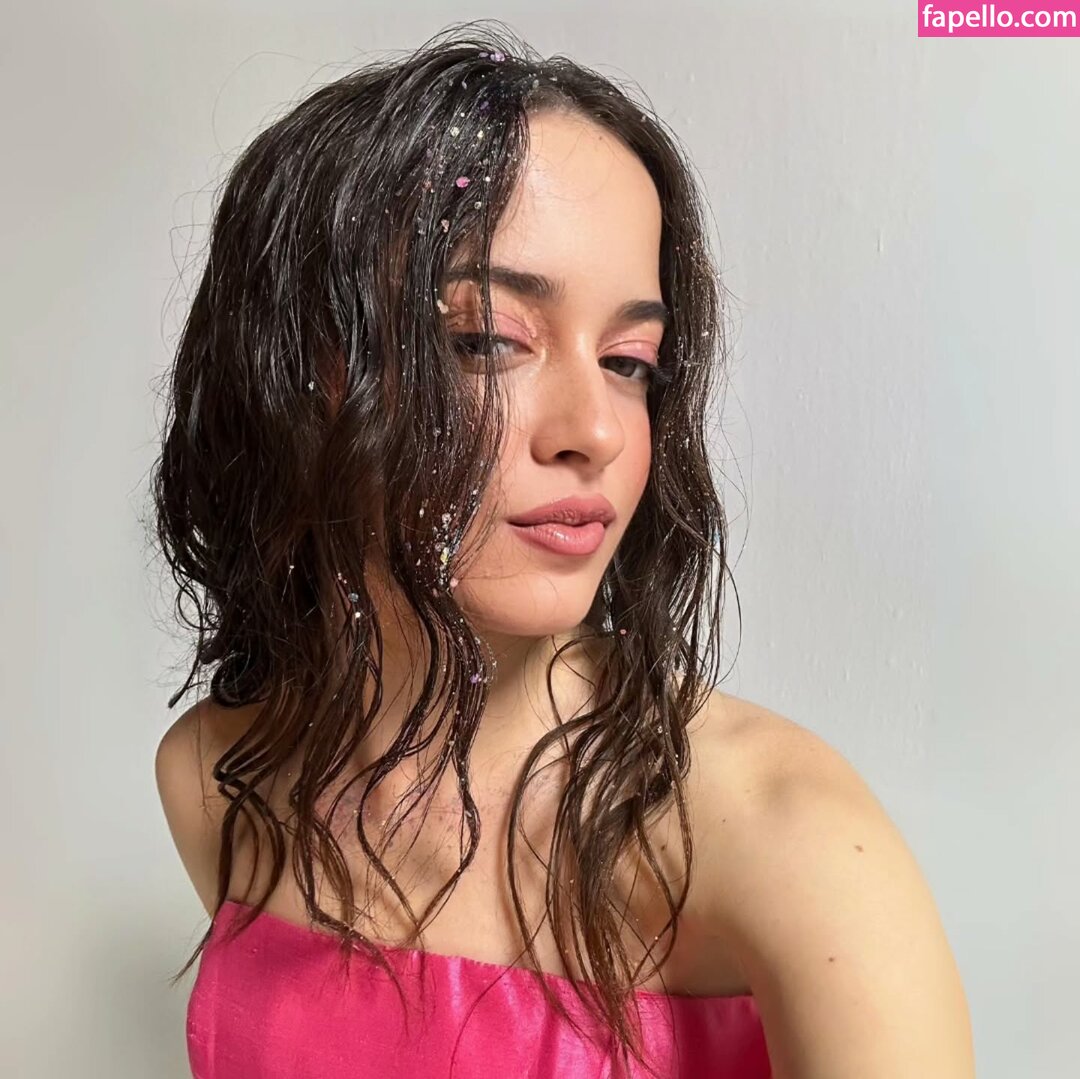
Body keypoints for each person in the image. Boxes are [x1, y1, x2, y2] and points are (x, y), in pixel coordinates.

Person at [152, 20, 974, 1079]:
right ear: (302, 376)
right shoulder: (218, 776)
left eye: (631, 360)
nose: (595, 429)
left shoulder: (785, 836)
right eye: (489, 340)